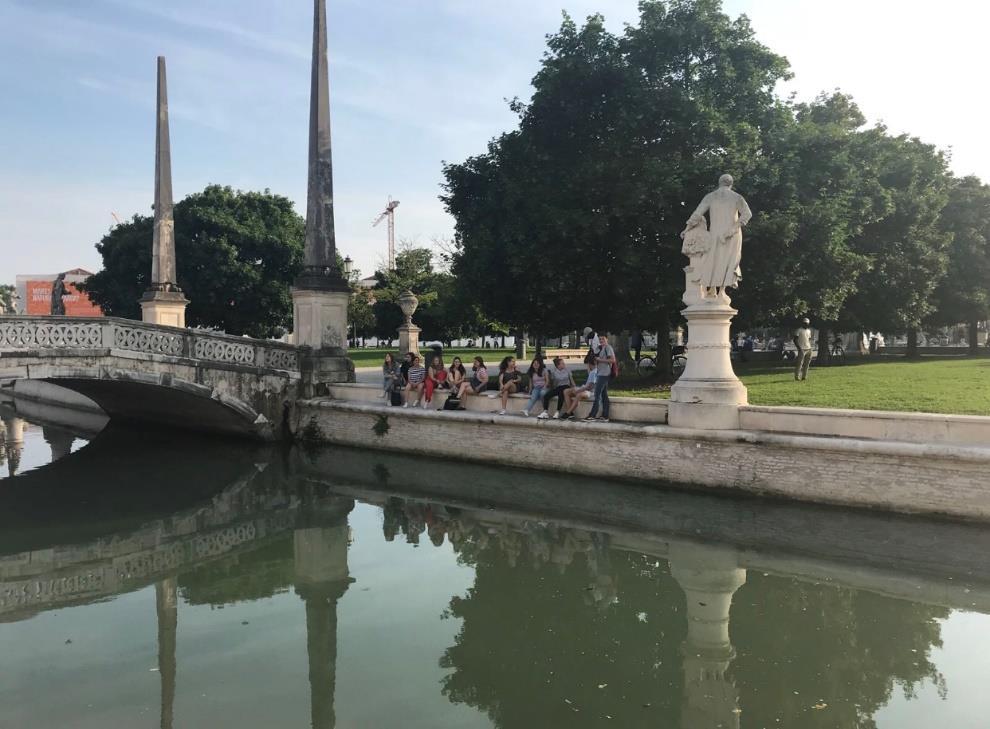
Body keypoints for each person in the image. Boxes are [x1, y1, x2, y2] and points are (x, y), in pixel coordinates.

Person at [584, 333, 616, 422]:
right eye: (600, 339)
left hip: (605, 374)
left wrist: (600, 360)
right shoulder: (600, 348)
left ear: (607, 339)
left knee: (597, 394)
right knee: (604, 395)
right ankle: (605, 415)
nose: (601, 341)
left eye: (603, 339)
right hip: (600, 373)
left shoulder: (608, 348)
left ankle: (592, 415)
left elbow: (613, 360)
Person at [561, 352, 598, 419]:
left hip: (591, 392)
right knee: (566, 391)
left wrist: (578, 390)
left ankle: (568, 413)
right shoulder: (591, 372)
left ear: (589, 364)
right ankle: (571, 413)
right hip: (584, 388)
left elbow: (590, 387)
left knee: (579, 394)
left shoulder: (594, 372)